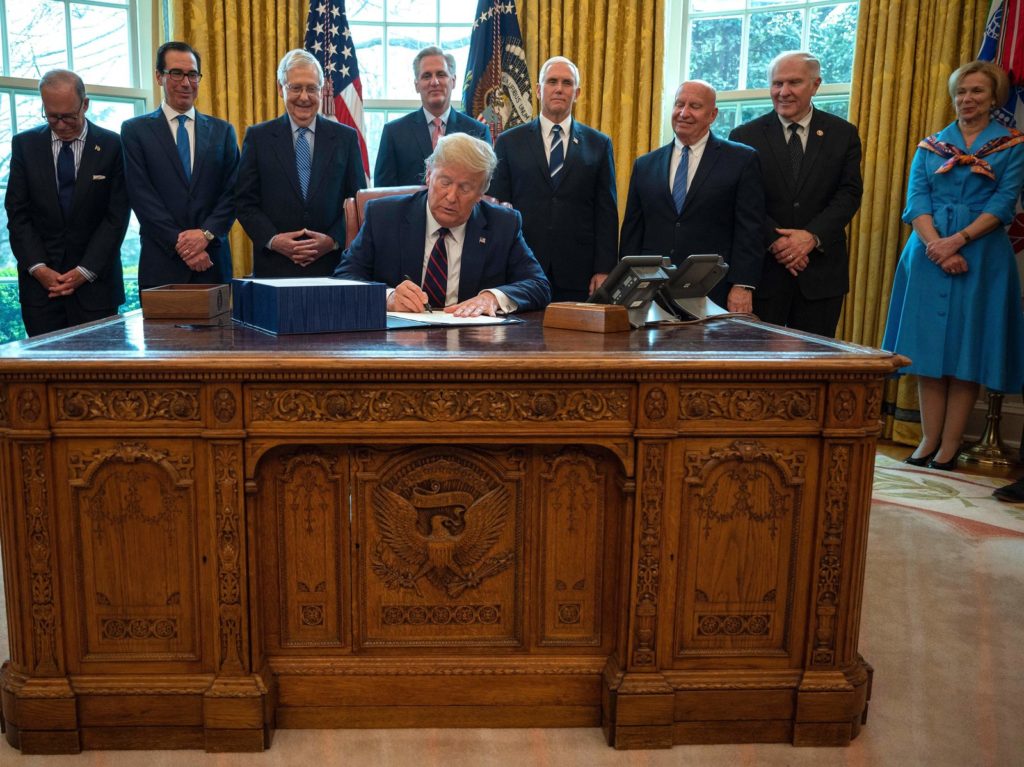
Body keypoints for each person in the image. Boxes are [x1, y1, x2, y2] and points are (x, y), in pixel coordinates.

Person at [883, 60, 1024, 470]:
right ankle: (927, 440)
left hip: (982, 256)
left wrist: (958, 241)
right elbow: (916, 202)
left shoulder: (1011, 145)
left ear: (994, 98)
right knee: (928, 352)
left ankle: (950, 445)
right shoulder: (931, 146)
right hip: (926, 256)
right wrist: (936, 246)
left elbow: (1004, 204)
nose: (968, 99)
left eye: (977, 92)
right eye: (962, 92)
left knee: (966, 353)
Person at [335, 133, 551, 316]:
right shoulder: (384, 216)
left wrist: (492, 298)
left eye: (465, 188)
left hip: (472, 347)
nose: (451, 196)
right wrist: (388, 297)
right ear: (429, 175)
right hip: (399, 346)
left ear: (480, 193)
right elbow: (344, 279)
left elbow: (538, 286)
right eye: (445, 182)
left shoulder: (503, 225)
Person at [729, 51, 863, 337]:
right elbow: (742, 202)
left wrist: (810, 237)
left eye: (794, 83)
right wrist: (777, 241)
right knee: (757, 366)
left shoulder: (843, 133)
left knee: (816, 367)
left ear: (815, 85)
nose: (784, 92)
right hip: (765, 273)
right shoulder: (744, 137)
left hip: (821, 274)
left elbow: (849, 193)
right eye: (777, 83)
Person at [619, 80, 765, 313]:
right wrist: (626, 287)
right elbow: (632, 232)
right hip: (652, 291)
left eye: (694, 106)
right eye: (679, 104)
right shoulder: (645, 164)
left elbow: (750, 229)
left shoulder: (741, 160)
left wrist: (743, 285)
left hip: (714, 290)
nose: (684, 113)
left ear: (712, 114)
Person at [4, 69, 129, 337]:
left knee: (100, 374)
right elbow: (17, 213)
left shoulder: (112, 145)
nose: (61, 125)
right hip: (42, 291)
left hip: (96, 289)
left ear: (85, 104)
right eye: (52, 116)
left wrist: (85, 270)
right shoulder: (25, 145)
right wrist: (39, 269)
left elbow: (116, 216)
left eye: (69, 116)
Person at [488, 56, 617, 302]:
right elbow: (498, 209)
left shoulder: (598, 144)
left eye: (567, 83)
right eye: (552, 81)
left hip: (578, 272)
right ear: (538, 90)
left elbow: (606, 212)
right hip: (521, 267)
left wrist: (604, 268)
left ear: (576, 93)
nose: (559, 88)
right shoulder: (509, 142)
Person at [236, 49, 367, 277]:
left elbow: (356, 200)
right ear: (280, 89)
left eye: (311, 88)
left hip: (333, 268)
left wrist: (333, 240)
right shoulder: (259, 138)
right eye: (295, 88)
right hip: (274, 268)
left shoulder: (345, 138)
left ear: (322, 89)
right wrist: (274, 240)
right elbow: (244, 202)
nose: (304, 97)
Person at [121, 41, 240, 290]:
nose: (186, 83)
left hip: (212, 263)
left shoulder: (223, 131)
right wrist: (184, 246)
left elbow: (234, 192)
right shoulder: (135, 131)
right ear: (158, 76)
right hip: (162, 265)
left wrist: (205, 235)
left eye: (192, 74)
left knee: (219, 331)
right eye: (176, 73)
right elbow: (141, 195)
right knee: (160, 331)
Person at [373, 46, 491, 187]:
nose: (434, 82)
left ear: (453, 81)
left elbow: (485, 190)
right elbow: (383, 193)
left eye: (441, 74)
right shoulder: (394, 133)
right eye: (426, 76)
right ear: (417, 85)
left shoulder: (477, 132)